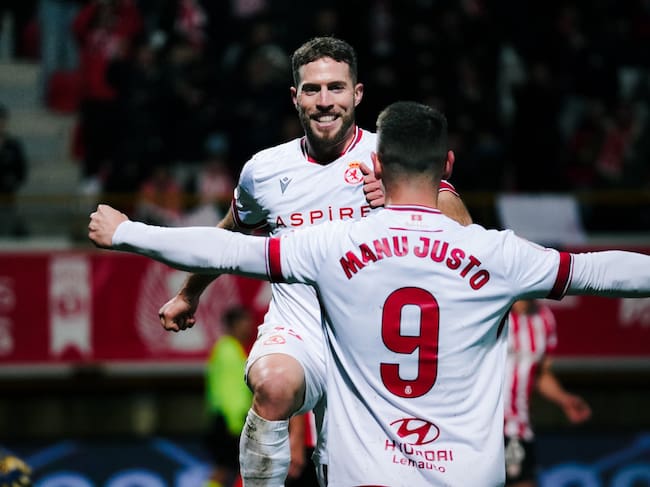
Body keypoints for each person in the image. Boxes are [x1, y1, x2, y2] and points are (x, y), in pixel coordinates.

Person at [89, 100, 650, 485]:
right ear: (447, 165)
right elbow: (600, 271)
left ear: (376, 164)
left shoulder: (333, 245)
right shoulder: (496, 254)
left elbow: (228, 250)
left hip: (366, 475)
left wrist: (129, 233)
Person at [154, 36, 472, 486]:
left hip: (373, 346)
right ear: (295, 97)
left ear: (357, 94)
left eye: (336, 88)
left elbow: (463, 229)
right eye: (312, 89)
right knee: (273, 385)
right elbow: (228, 235)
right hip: (298, 332)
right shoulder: (265, 170)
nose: (324, 102)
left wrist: (401, 202)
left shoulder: (393, 156)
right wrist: (189, 294)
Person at [504, 299, 592, 487]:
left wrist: (564, 399)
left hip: (517, 427)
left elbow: (541, 374)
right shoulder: (493, 310)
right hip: (480, 425)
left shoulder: (544, 317)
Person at [204, 306, 254, 487]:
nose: (249, 327)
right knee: (224, 470)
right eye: (244, 323)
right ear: (233, 325)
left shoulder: (231, 349)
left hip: (230, 421)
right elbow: (229, 391)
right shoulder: (228, 350)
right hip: (230, 422)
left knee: (230, 469)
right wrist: (236, 424)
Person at [0, 103, 28, 236]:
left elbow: (21, 170)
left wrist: (11, 181)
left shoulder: (13, 145)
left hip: (7, 196)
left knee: (6, 231)